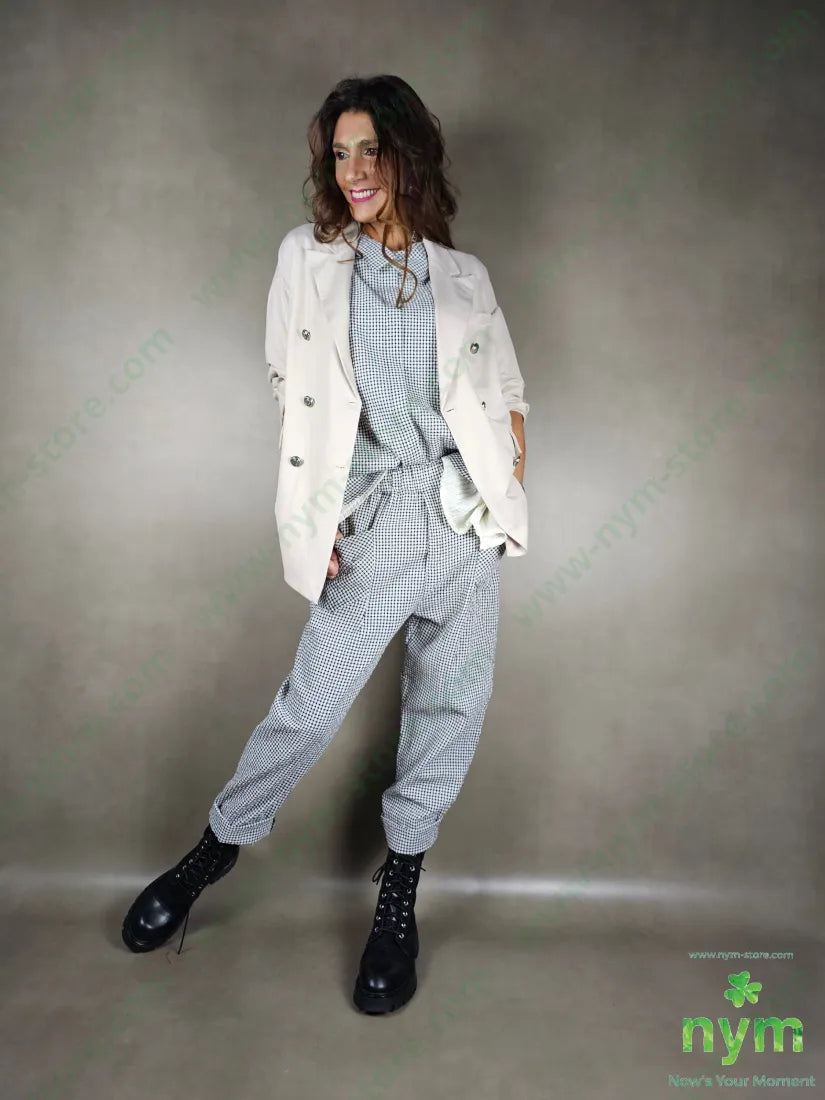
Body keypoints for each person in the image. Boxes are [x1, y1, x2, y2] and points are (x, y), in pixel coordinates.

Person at [121, 74, 529, 1016]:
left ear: (408, 155)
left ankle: (399, 893)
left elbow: (507, 391)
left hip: (463, 527)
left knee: (449, 711)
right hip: (373, 522)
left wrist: (507, 486)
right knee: (306, 712)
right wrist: (320, 513)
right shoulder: (307, 259)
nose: (352, 170)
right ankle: (212, 853)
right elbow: (289, 383)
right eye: (339, 153)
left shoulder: (463, 276)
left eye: (369, 150)